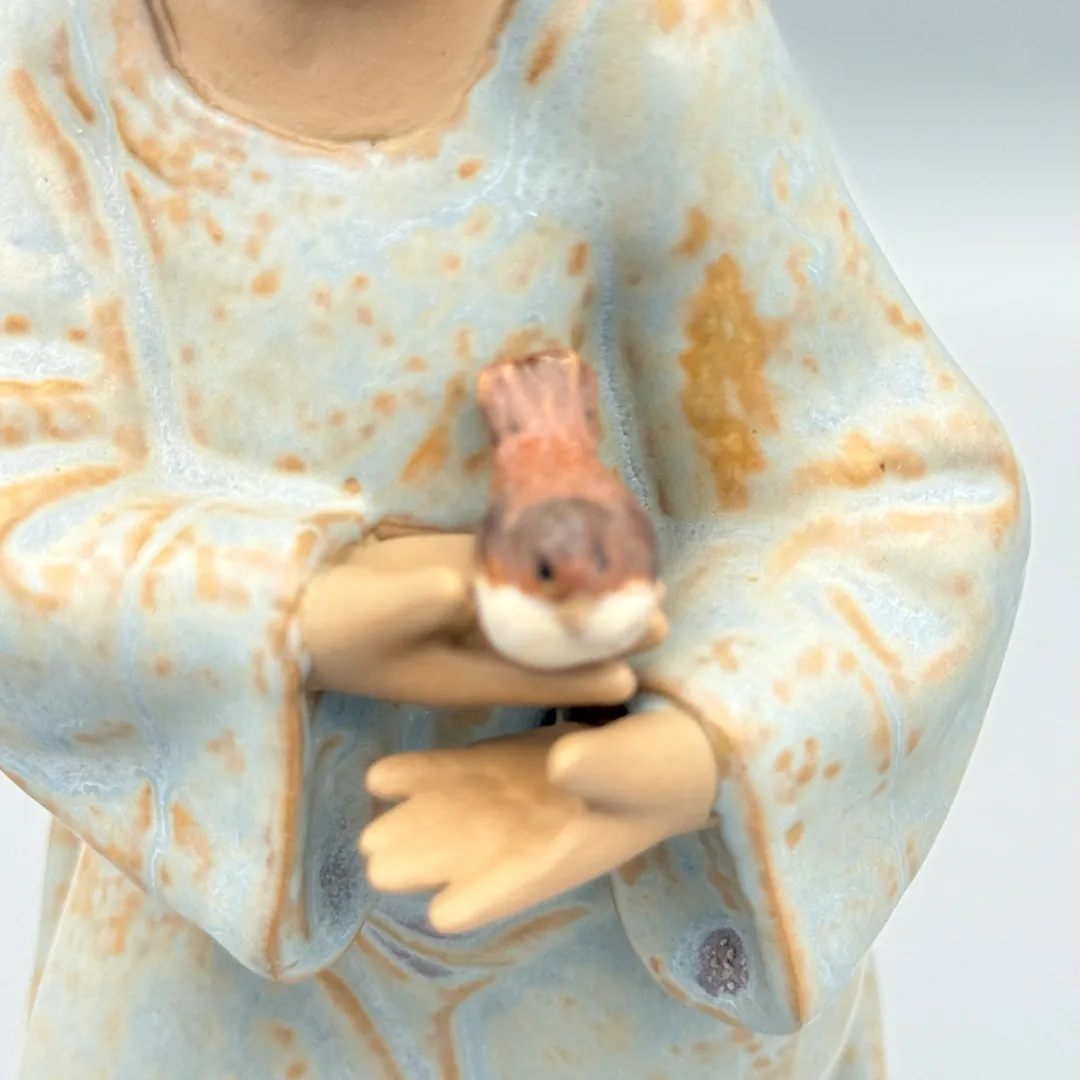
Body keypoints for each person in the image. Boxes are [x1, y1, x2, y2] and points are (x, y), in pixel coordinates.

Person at [0, 0, 1029, 1076]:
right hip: (225, 954)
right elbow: (26, 490)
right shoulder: (62, 60)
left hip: (611, 952)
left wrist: (685, 752)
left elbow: (900, 499)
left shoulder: (646, 50)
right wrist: (294, 610)